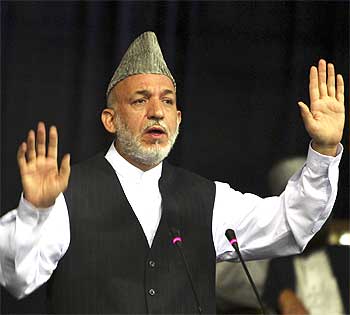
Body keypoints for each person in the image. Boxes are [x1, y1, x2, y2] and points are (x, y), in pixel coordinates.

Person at [0, 31, 345, 314]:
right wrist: (35, 211)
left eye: (167, 101)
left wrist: (324, 151)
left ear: (178, 120)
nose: (156, 112)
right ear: (110, 119)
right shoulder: (68, 194)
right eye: (139, 100)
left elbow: (291, 222)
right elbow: (18, 278)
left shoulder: (208, 198)